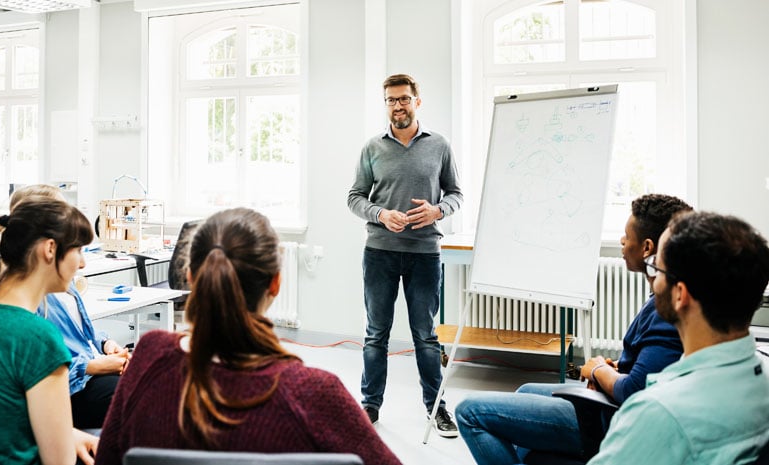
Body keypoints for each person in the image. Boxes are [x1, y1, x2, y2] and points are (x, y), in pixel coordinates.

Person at [95, 208, 402, 465]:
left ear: (190, 278)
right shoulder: (315, 393)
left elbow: (107, 458)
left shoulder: (149, 355)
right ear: (276, 283)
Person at [455, 193, 691, 464]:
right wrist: (614, 368)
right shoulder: (660, 299)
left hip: (611, 419)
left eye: (627, 236)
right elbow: (650, 367)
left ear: (648, 247)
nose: (622, 241)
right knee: (525, 391)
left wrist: (599, 370)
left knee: (469, 412)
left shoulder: (666, 311)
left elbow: (635, 390)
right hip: (610, 404)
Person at [589, 211, 769, 464]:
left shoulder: (658, 413)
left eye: (656, 267)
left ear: (680, 295)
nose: (653, 279)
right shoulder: (762, 376)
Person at [347, 73, 463, 436]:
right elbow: (355, 198)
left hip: (425, 254)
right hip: (379, 253)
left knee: (426, 336)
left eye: (404, 99)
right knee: (375, 334)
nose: (398, 106)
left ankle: (437, 408)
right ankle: (370, 406)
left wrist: (437, 211)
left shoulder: (439, 145)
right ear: (386, 104)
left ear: (417, 101)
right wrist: (381, 214)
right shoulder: (372, 147)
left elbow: (456, 194)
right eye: (391, 100)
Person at [0, 198, 98, 464]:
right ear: (50, 249)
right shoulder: (37, 338)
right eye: (79, 250)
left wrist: (67, 434)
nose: (82, 263)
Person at [10, 184, 131, 429]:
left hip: (84, 373)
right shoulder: (29, 300)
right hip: (72, 387)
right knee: (137, 394)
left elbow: (78, 332)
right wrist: (93, 366)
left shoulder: (62, 281)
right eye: (77, 250)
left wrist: (104, 343)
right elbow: (40, 373)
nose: (83, 263)